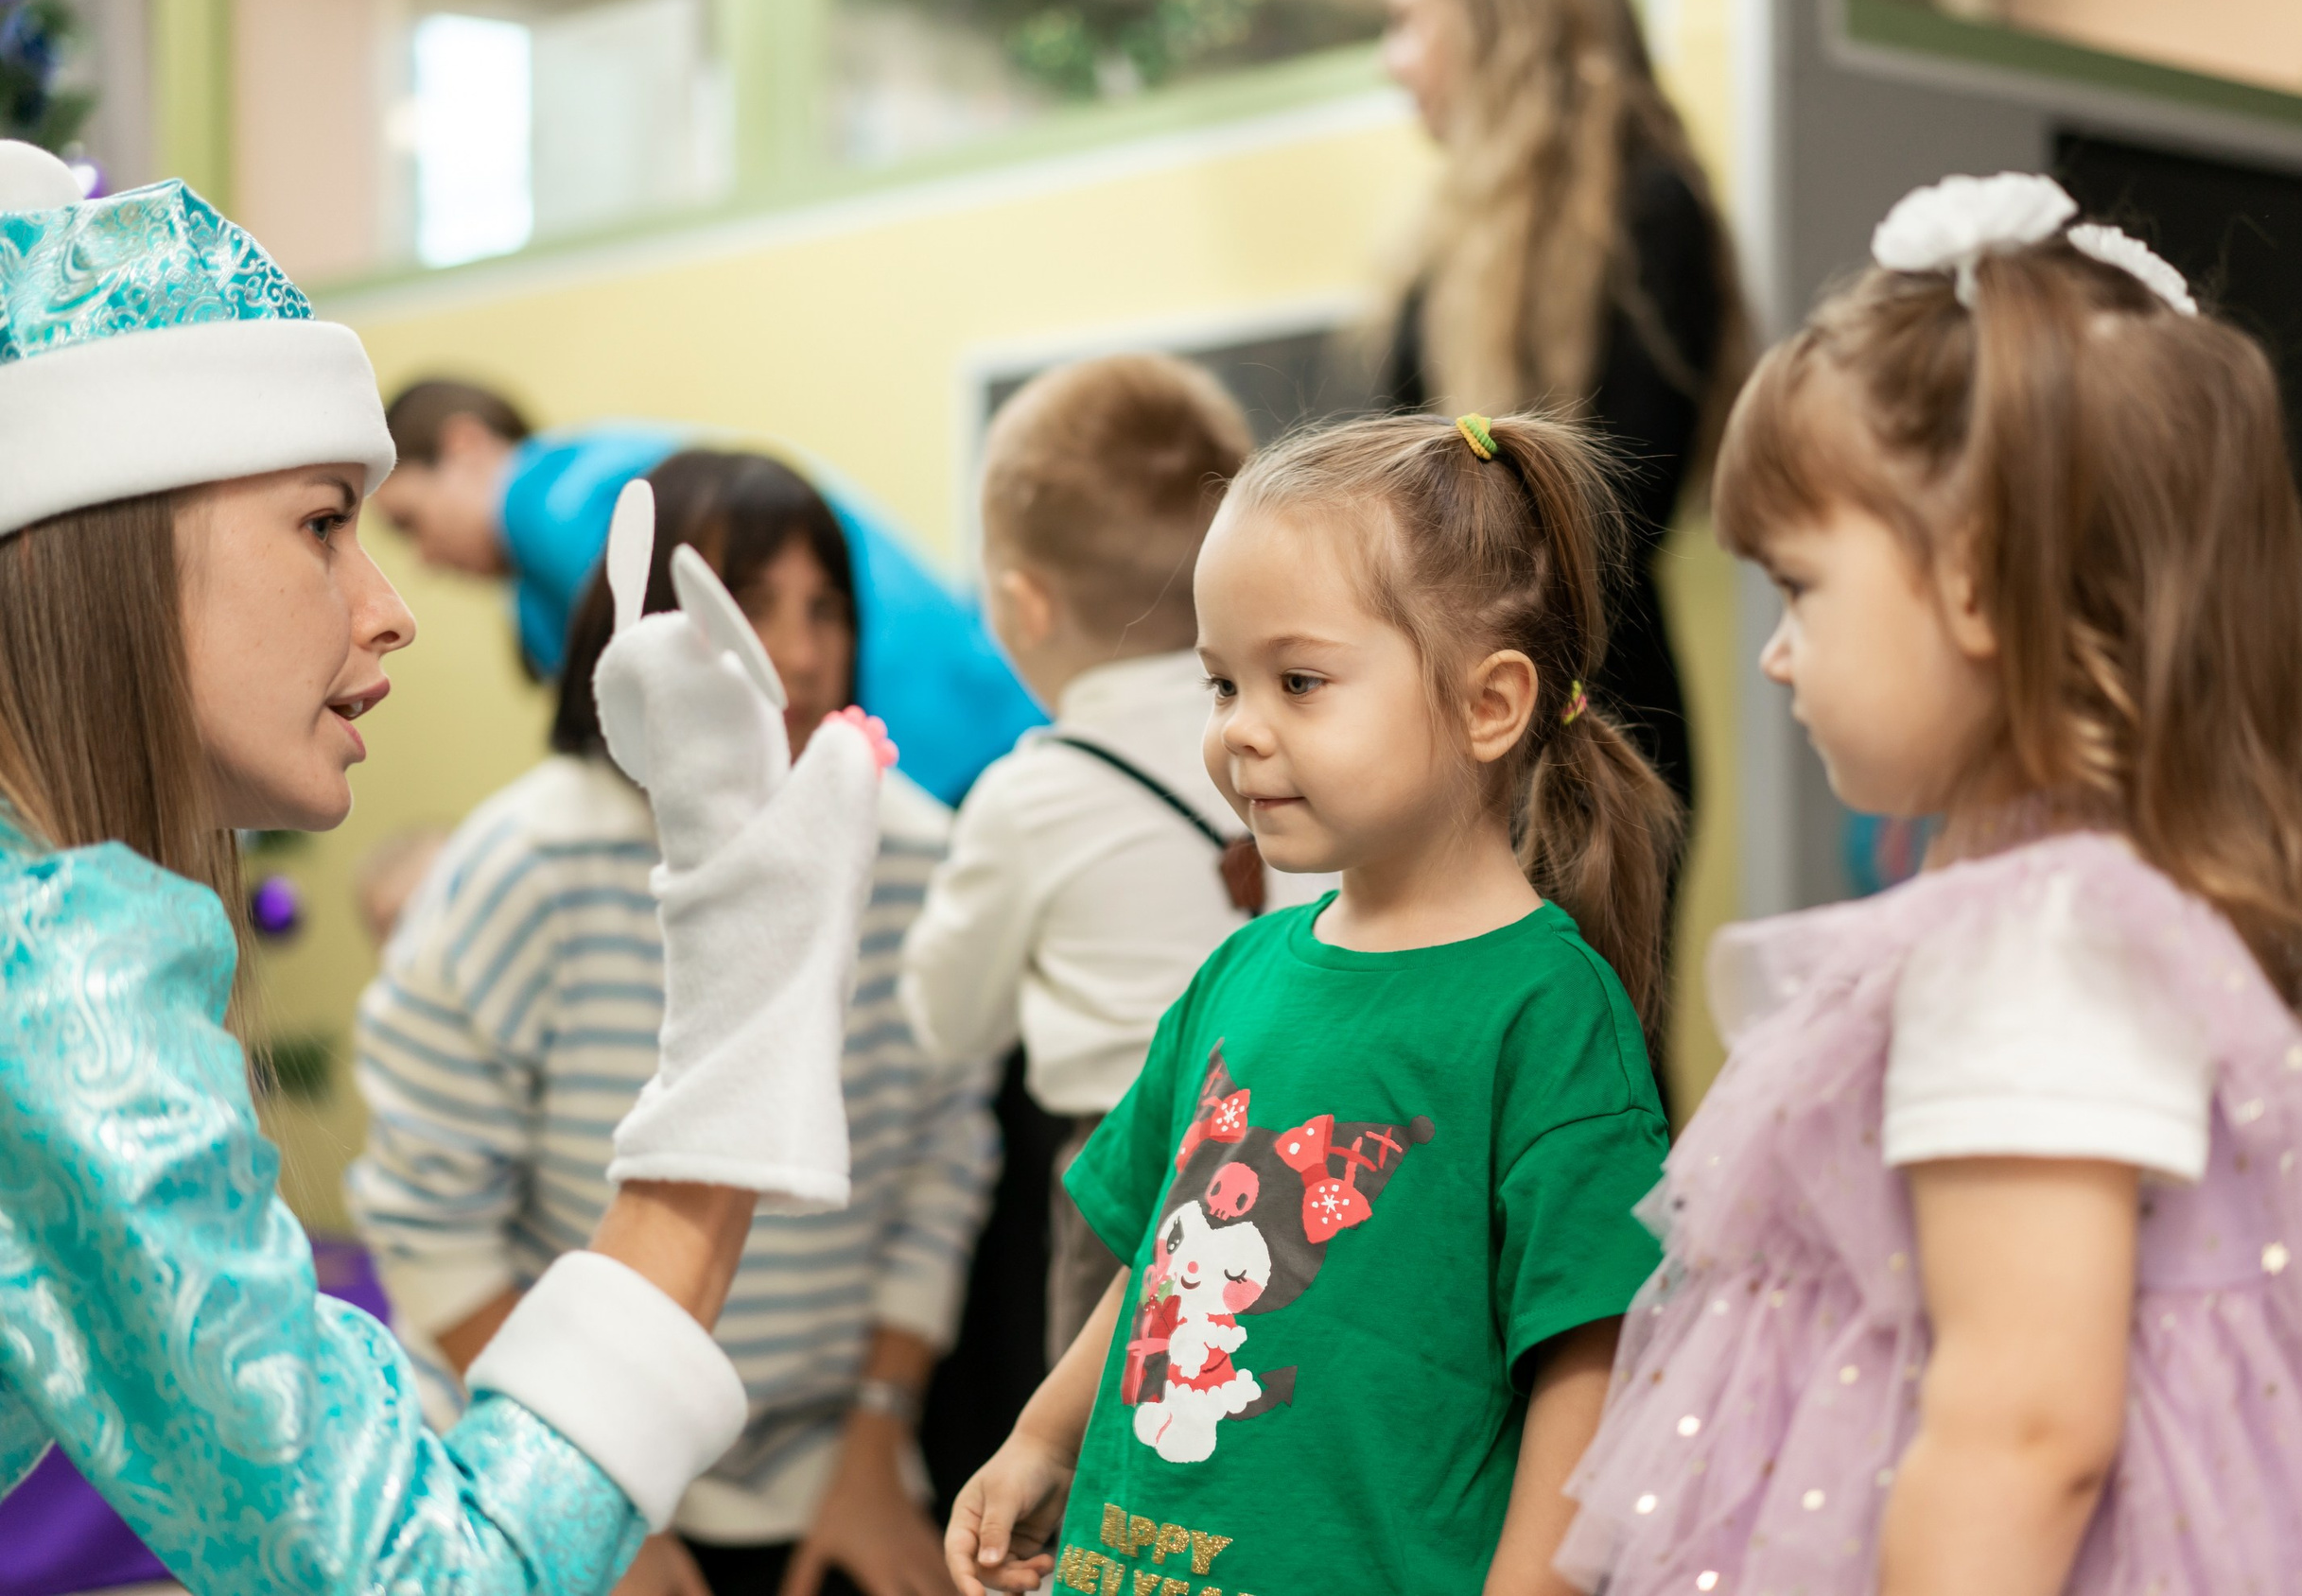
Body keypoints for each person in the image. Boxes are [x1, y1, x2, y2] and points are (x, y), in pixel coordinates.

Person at [0, 140, 887, 1591]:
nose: (391, 609)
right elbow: (431, 1570)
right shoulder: (53, 981)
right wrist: (744, 1035)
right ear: (109, 549)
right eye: (323, 525)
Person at [1557, 174, 2302, 1596]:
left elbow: (2027, 1425)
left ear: (1972, 582)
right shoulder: (2090, 903)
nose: (1775, 654)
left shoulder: (2036, 947)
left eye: (1803, 590)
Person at [943, 411, 1682, 1596]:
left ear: (1488, 705)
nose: (1239, 729)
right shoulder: (1240, 970)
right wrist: (1042, 1437)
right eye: (1220, 682)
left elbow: (1587, 1365)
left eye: (1298, 681)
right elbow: (1155, 1261)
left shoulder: (1545, 1014)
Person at [352, 450, 994, 1596]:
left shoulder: (909, 850)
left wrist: (875, 1448)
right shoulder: (528, 864)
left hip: (818, 1462)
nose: (796, 654)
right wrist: (591, 1498)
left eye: (825, 609)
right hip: (536, 1454)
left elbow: (943, 1163)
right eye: (748, 605)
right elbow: (427, 1216)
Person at [905, 355, 1295, 1365]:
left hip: (1133, 1178)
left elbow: (947, 1023)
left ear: (1025, 605)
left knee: (1110, 1456)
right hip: (1319, 1149)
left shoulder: (1027, 797)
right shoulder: (1303, 732)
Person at [1377, 0, 1746, 826]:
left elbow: (1625, 507)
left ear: (1500, 24)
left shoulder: (1650, 212)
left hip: (1598, 732)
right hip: (1468, 715)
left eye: (1404, 25)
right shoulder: (1447, 241)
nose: (1388, 63)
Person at [374, 379, 1041, 805]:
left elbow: (667, 693)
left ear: (465, 445)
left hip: (924, 728)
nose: (425, 559)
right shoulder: (583, 488)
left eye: (411, 522)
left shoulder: (548, 501)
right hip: (968, 699)